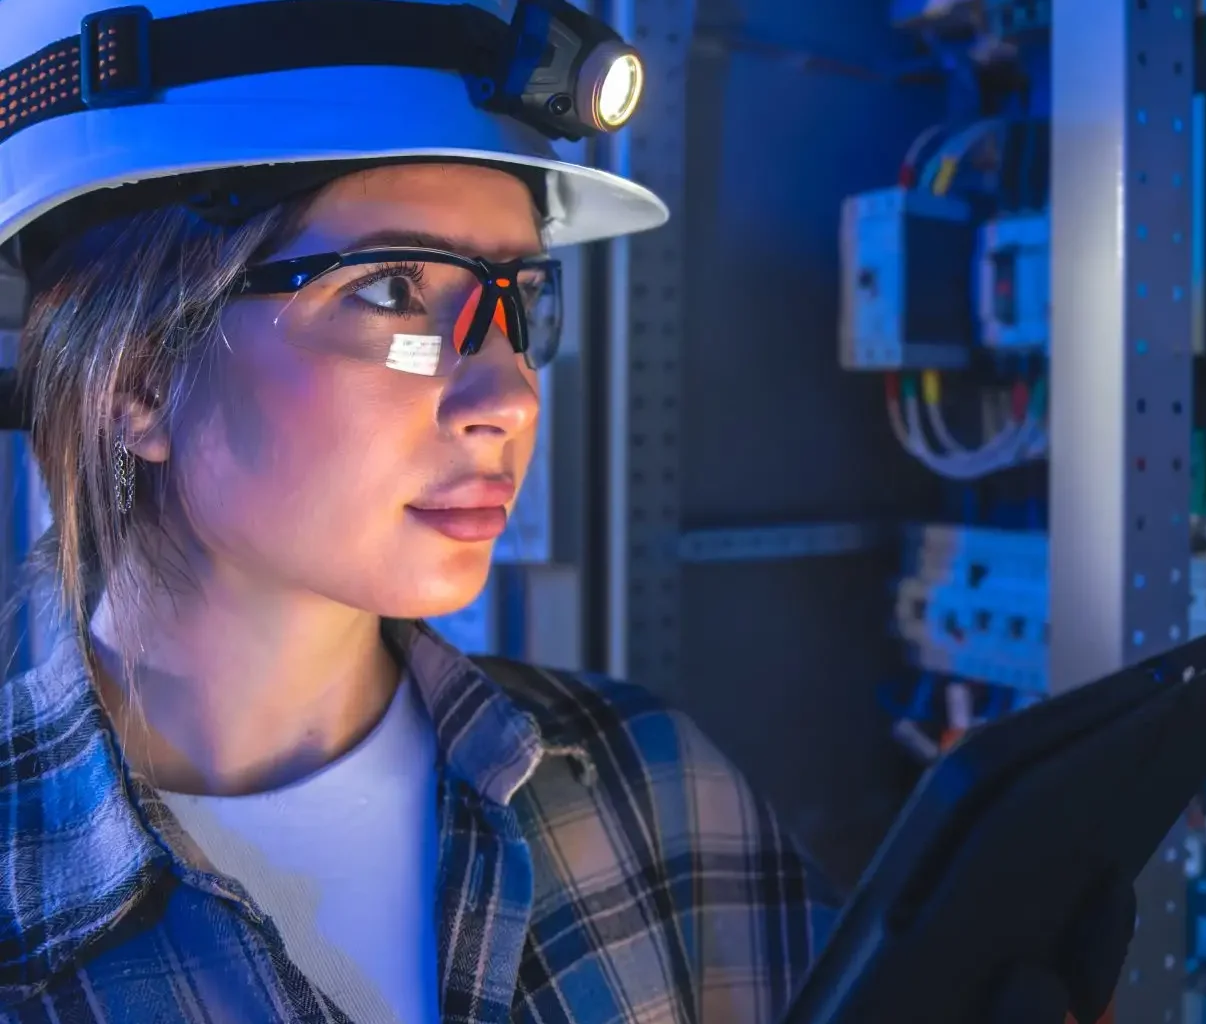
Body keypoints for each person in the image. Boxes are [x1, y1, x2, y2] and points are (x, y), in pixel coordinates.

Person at [0, 1, 1132, 1022]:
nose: (507, 394)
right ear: (136, 377)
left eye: (518, 302)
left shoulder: (648, 790)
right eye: (391, 290)